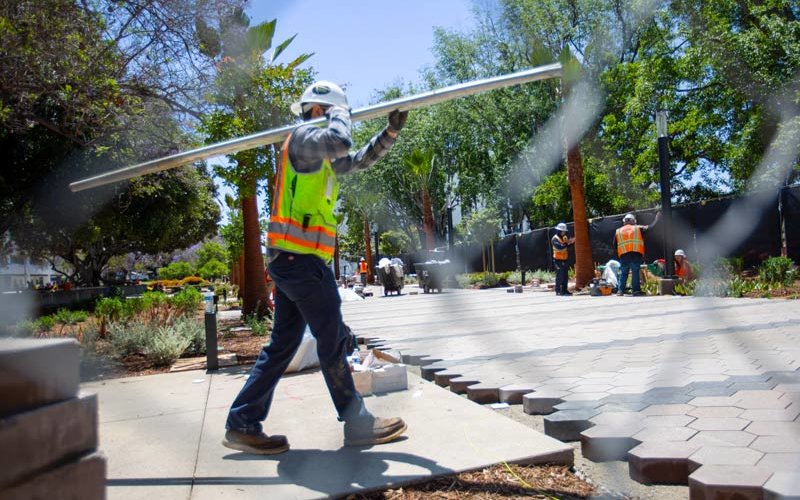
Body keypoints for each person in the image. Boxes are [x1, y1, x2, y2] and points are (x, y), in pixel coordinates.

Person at [223, 80, 409, 455]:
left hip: (293, 261)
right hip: (300, 262)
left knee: (283, 346)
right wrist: (342, 114)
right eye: (335, 112)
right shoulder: (306, 137)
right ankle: (357, 423)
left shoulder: (315, 152)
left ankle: (242, 421)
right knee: (332, 338)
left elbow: (356, 159)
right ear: (321, 111)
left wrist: (389, 132)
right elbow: (341, 141)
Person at [614, 211, 660, 296]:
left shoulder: (618, 231)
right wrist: (657, 218)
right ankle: (636, 291)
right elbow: (651, 227)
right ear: (633, 221)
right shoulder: (638, 228)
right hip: (635, 254)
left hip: (624, 255)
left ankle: (620, 291)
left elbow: (614, 245)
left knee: (624, 273)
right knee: (635, 272)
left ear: (624, 221)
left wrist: (619, 256)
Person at [551, 222, 575, 296]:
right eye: (562, 231)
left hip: (564, 259)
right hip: (557, 260)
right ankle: (558, 291)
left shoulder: (564, 238)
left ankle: (565, 290)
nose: (564, 232)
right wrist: (568, 243)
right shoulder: (555, 239)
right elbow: (560, 248)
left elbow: (566, 247)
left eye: (564, 231)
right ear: (559, 230)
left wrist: (571, 243)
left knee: (565, 276)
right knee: (560, 276)